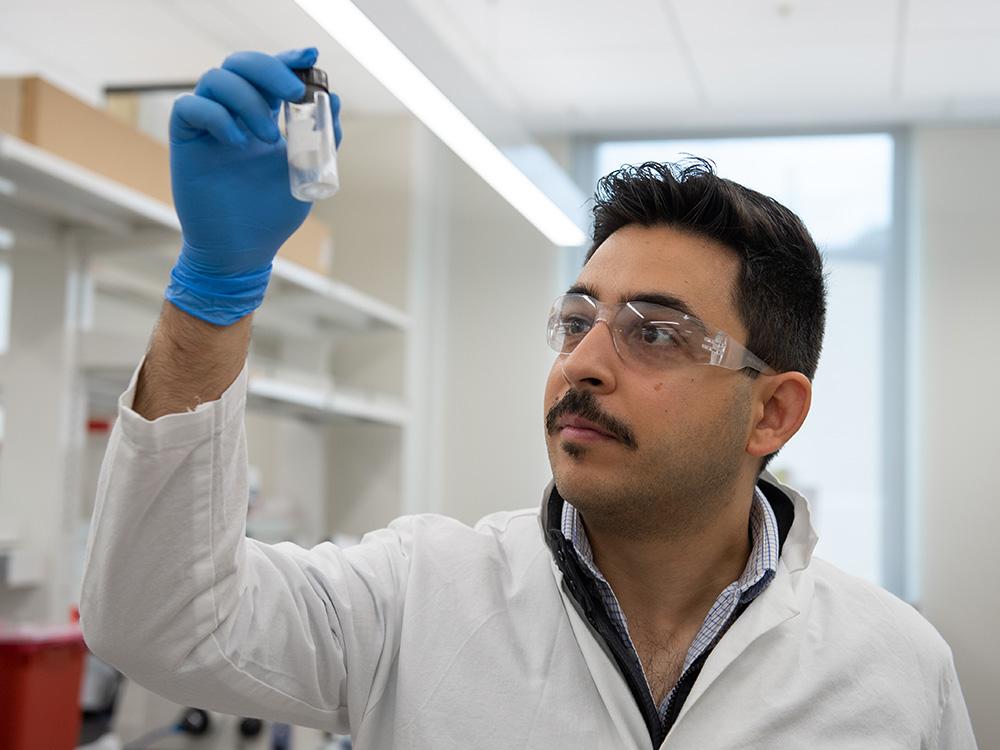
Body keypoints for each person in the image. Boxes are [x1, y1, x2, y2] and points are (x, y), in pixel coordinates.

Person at [79, 48, 977, 750]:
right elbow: (162, 623)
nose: (582, 363)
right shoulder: (417, 596)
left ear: (772, 412)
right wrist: (214, 289)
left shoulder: (894, 668)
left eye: (653, 331)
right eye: (577, 319)